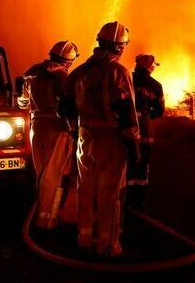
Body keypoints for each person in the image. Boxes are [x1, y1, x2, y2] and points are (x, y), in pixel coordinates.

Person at [59, 21, 141, 257]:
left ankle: (84, 238)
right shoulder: (118, 72)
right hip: (111, 140)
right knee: (110, 194)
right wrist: (133, 143)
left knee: (85, 189)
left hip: (85, 138)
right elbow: (126, 111)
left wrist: (75, 130)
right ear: (120, 47)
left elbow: (64, 105)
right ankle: (107, 245)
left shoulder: (80, 71)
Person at [22, 40, 80, 230]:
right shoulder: (61, 76)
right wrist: (73, 126)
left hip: (35, 127)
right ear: (69, 61)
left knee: (41, 173)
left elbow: (22, 101)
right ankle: (45, 219)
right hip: (57, 128)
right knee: (53, 175)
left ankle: (49, 215)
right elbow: (68, 105)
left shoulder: (33, 71)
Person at [127, 54, 165, 210]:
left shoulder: (126, 78)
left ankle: (123, 199)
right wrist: (147, 116)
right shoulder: (156, 86)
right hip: (145, 128)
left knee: (126, 161)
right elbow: (160, 110)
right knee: (142, 164)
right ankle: (138, 201)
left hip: (126, 125)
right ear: (151, 67)